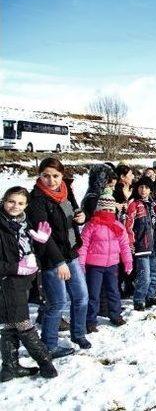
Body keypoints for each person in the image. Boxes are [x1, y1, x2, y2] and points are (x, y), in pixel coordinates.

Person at [27, 158, 90, 356]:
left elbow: (74, 212)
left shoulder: (66, 190)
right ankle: (49, 344)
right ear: (40, 175)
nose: (51, 180)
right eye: (46, 175)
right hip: (52, 258)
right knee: (57, 302)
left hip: (71, 253)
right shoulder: (36, 199)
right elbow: (43, 236)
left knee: (81, 297)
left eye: (55, 175)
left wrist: (82, 217)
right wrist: (58, 262)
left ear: (62, 175)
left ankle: (78, 333)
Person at [1, 187, 57, 380]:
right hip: (7, 281)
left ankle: (10, 367)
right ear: (3, 200)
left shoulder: (25, 224)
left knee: (8, 324)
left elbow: (29, 252)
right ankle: (45, 361)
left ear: (26, 205)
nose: (15, 206)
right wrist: (15, 268)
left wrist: (40, 242)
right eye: (11, 201)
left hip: (24, 280)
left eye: (20, 203)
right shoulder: (2, 225)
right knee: (23, 323)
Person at [78, 192, 133, 331]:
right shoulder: (91, 225)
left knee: (113, 291)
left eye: (110, 209)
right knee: (93, 294)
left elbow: (124, 246)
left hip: (112, 265)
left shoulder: (118, 225)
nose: (107, 212)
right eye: (104, 209)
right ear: (98, 209)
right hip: (94, 266)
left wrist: (128, 262)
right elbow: (83, 245)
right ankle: (90, 320)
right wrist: (81, 264)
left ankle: (115, 315)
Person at [125, 176, 156, 311]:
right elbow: (128, 226)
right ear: (137, 188)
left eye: (147, 187)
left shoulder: (155, 205)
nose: (143, 190)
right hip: (142, 245)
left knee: (155, 274)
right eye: (141, 187)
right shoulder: (134, 205)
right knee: (144, 276)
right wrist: (131, 243)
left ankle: (150, 296)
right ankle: (139, 299)